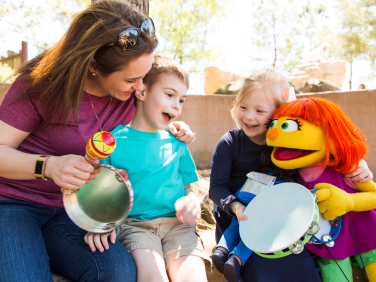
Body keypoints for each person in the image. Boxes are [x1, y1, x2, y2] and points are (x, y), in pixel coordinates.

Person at [0, 2, 195, 282]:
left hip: (76, 210)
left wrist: (175, 127)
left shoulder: (128, 97)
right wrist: (47, 166)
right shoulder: (39, 86)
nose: (141, 87)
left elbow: (157, 114)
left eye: (145, 75)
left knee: (117, 272)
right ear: (93, 66)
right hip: (13, 203)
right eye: (133, 79)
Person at [209, 69, 373, 282]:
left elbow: (327, 149)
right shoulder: (230, 142)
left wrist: (359, 163)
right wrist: (236, 206)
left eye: (260, 111)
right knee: (258, 264)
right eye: (243, 107)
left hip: (280, 218)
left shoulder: (289, 143)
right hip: (238, 216)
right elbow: (216, 188)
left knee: (301, 265)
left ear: (280, 112)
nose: (249, 116)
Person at [84, 56, 210, 282]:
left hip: (178, 226)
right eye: (169, 95)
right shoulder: (113, 142)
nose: (176, 105)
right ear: (141, 92)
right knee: (154, 278)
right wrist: (99, 224)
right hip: (136, 227)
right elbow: (99, 191)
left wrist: (192, 200)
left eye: (182, 100)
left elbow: (189, 185)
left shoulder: (177, 141)